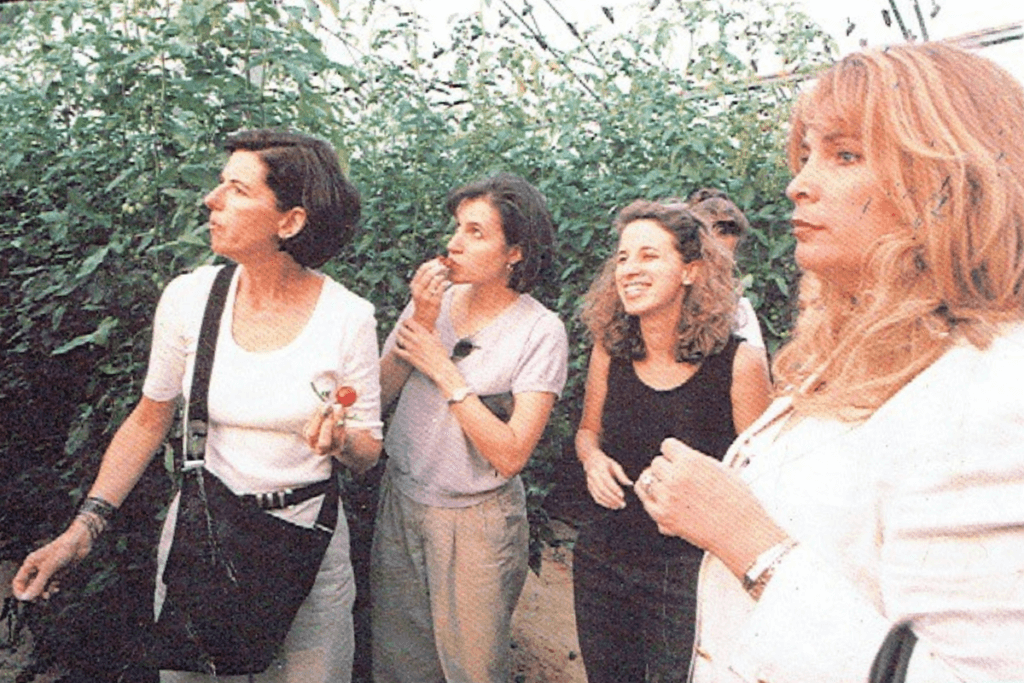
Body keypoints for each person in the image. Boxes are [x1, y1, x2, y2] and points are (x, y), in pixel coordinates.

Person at [636, 43, 1024, 682]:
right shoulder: (868, 353)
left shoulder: (992, 395)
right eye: (807, 154)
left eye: (845, 155)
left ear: (952, 184)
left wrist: (750, 545)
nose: (798, 183)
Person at [13, 129, 383, 683]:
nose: (211, 199)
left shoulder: (348, 317)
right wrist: (83, 529)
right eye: (220, 183)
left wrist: (342, 440)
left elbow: (369, 450)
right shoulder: (189, 299)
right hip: (204, 543)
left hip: (306, 549)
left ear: (290, 222)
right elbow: (149, 419)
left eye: (237, 189)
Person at [371, 172, 568, 683]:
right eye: (457, 227)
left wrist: (444, 370)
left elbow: (511, 454)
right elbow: (379, 396)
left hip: (476, 522)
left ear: (515, 253)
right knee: (399, 665)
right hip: (402, 501)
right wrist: (421, 317)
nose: (454, 243)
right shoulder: (431, 305)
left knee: (473, 669)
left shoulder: (539, 331)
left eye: (475, 232)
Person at [572, 200, 771, 683]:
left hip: (688, 575)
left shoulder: (739, 364)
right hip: (603, 559)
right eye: (623, 257)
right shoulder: (610, 350)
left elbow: (763, 485)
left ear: (690, 271)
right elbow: (587, 431)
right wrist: (593, 459)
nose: (629, 269)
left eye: (649, 255)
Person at [685, 188, 767, 351]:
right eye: (710, 258)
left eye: (726, 262)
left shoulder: (739, 311)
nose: (717, 270)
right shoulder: (667, 303)